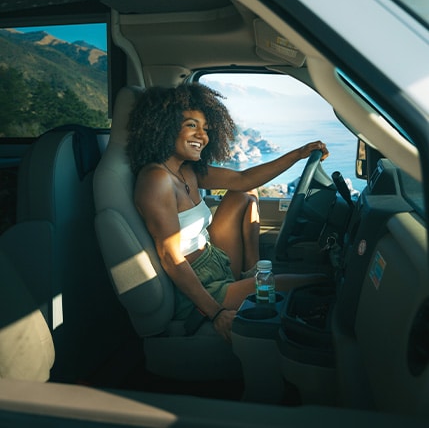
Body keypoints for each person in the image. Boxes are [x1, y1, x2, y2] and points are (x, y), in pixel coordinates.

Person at [127, 83, 329, 341]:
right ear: (164, 125)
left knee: (244, 193)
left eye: (206, 129)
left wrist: (299, 154)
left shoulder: (186, 170)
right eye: (192, 125)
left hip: (214, 258)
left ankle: (253, 268)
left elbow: (244, 179)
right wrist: (216, 313)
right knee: (317, 280)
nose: (203, 136)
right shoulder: (155, 179)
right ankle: (253, 278)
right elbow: (170, 257)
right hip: (200, 284)